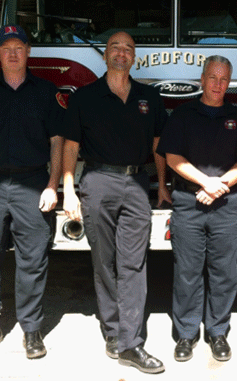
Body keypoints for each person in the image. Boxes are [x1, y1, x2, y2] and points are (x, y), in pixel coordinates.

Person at [62, 31, 170, 374]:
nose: (121, 53)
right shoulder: (85, 97)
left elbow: (158, 144)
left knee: (134, 264)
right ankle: (112, 331)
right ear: (105, 54)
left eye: (128, 49)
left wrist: (163, 186)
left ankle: (130, 342)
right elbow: (70, 146)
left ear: (134, 57)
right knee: (103, 262)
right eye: (115, 47)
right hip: (97, 182)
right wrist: (68, 189)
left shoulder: (148, 97)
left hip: (138, 183)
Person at [156, 55, 237, 362]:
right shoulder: (183, 115)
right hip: (188, 203)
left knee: (224, 272)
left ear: (229, 82)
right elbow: (171, 156)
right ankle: (186, 334)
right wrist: (205, 183)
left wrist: (220, 185)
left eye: (224, 79)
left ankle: (217, 332)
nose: (218, 84)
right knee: (187, 272)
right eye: (212, 78)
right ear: (202, 79)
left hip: (226, 204)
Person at [0, 25, 64, 359]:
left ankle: (31, 330)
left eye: (19, 47)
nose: (12, 53)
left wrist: (52, 186)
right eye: (6, 48)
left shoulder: (46, 92)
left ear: (28, 51)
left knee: (33, 261)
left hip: (32, 185)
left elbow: (58, 142)